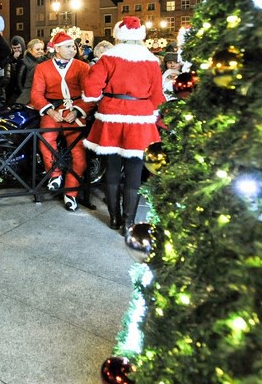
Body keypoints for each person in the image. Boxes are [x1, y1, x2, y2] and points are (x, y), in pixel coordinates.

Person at [82, 16, 166, 231]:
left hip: (112, 115)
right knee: (135, 170)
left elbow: (92, 86)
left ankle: (114, 218)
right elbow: (157, 94)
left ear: (119, 35)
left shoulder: (109, 57)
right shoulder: (150, 60)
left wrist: (96, 98)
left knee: (112, 168)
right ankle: (129, 221)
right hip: (140, 117)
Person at [29, 32, 93, 212]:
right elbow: (36, 94)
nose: (72, 50)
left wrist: (77, 111)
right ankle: (55, 175)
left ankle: (70, 193)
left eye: (73, 47)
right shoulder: (42, 68)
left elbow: (90, 94)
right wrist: (49, 110)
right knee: (46, 140)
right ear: (56, 49)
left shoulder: (83, 67)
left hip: (75, 112)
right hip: (52, 111)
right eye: (68, 46)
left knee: (79, 153)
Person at [15, 39, 47, 105]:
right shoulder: (23, 62)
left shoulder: (45, 61)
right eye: (38, 49)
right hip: (27, 98)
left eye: (42, 49)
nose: (40, 51)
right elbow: (19, 84)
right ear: (30, 50)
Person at [5, 35, 26, 103]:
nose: (17, 50)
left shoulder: (26, 58)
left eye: (18, 47)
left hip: (23, 88)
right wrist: (13, 59)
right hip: (11, 89)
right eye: (14, 48)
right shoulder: (10, 57)